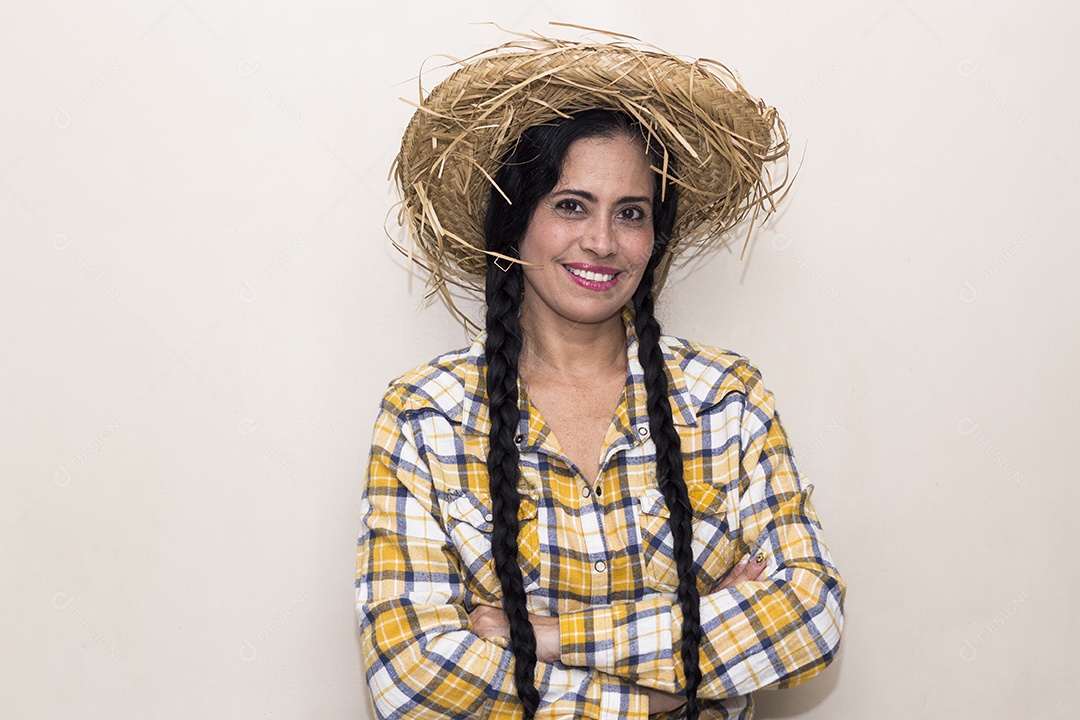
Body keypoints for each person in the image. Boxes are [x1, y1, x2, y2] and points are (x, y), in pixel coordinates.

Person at [356, 32, 845, 720]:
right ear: (515, 221)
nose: (604, 242)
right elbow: (412, 676)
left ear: (656, 237)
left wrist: (544, 640)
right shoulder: (425, 415)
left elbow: (807, 616)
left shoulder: (725, 399)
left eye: (631, 214)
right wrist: (660, 695)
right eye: (570, 205)